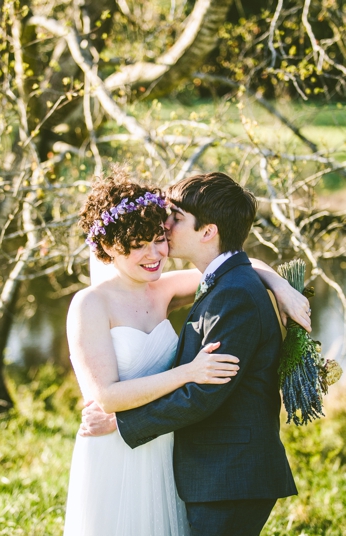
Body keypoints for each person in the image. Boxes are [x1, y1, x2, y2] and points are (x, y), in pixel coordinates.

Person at [63, 171, 308, 536]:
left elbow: (236, 264)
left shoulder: (163, 290)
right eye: (137, 245)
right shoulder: (90, 304)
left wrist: (280, 285)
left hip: (166, 446)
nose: (154, 253)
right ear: (111, 246)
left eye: (159, 237)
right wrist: (187, 372)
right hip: (117, 449)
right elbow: (106, 396)